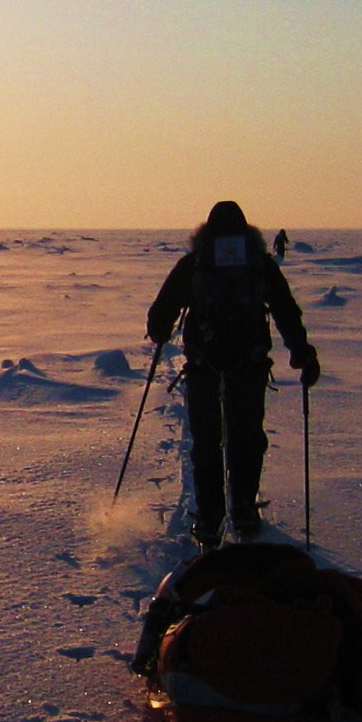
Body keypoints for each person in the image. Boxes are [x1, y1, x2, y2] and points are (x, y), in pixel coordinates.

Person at [144, 200, 318, 546]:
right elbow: (285, 309)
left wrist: (161, 329)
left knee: (207, 440)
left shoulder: (195, 264)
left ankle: (210, 515)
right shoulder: (259, 265)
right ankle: (243, 509)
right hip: (249, 365)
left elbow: (161, 312)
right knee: (247, 438)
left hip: (203, 365)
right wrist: (302, 353)